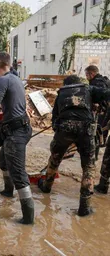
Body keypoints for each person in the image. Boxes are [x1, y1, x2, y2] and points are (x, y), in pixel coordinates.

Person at [38, 75, 110, 217]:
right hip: (86, 129)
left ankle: (46, 186)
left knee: (55, 159)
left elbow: (54, 121)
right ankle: (84, 206)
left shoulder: (61, 93)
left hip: (64, 128)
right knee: (88, 166)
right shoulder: (88, 89)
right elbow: (107, 94)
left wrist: (62, 135)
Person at [0, 52, 33, 225]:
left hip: (16, 132)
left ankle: (28, 218)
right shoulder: (16, 78)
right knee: (3, 162)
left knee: (18, 173)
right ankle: (7, 190)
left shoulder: (3, 80)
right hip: (21, 127)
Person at [85, 65, 110, 160]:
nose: (86, 77)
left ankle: (93, 156)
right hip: (106, 111)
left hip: (102, 111)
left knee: (95, 132)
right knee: (101, 131)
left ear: (92, 74)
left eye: (87, 74)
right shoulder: (105, 80)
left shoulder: (97, 83)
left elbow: (99, 98)